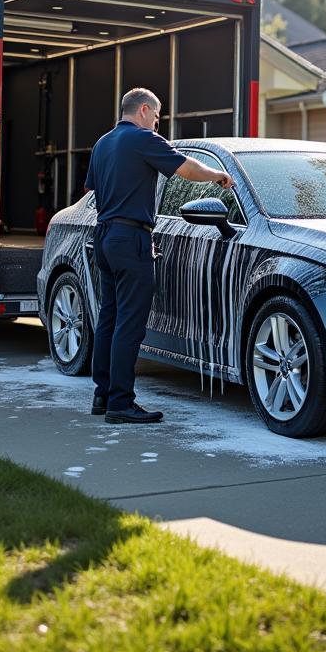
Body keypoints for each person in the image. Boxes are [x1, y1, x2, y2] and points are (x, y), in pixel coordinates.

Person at [84, 87, 235, 424]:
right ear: (142, 110)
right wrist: (217, 176)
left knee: (108, 317)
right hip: (130, 238)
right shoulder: (143, 139)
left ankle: (103, 395)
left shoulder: (102, 144)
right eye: (156, 114)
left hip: (105, 235)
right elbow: (187, 169)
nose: (157, 121)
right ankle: (121, 404)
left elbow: (91, 189)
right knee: (129, 324)